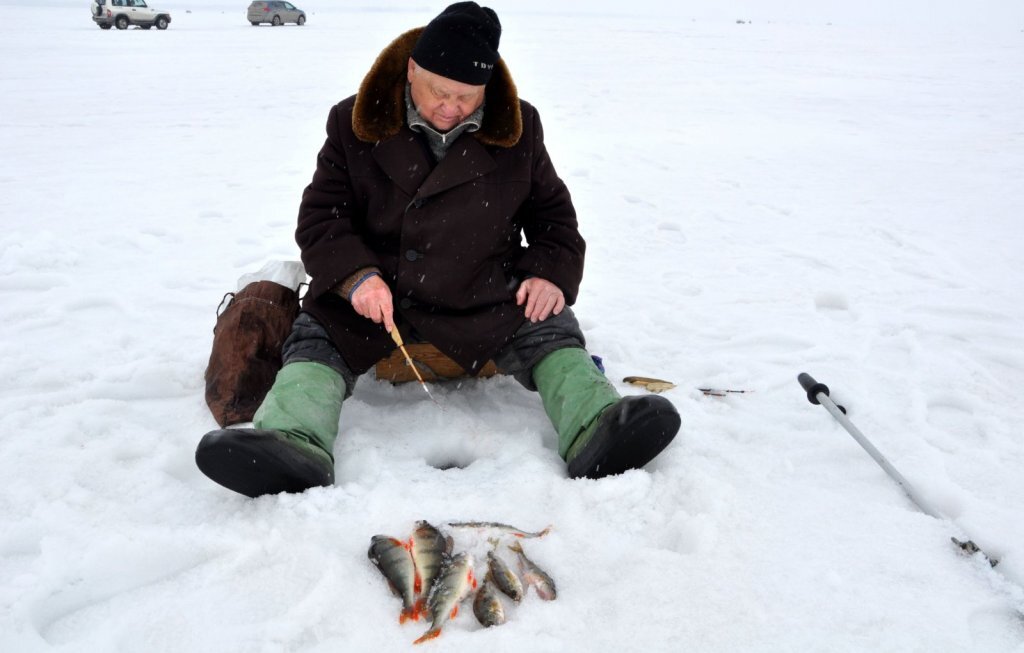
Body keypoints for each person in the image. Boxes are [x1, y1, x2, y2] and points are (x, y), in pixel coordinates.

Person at [195, 2, 680, 498]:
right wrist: (355, 276)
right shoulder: (352, 121)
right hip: (377, 293)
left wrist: (548, 273)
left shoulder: (520, 127)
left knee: (550, 331)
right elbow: (322, 217)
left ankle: (595, 427)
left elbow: (555, 220)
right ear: (411, 71)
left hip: (484, 293)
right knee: (317, 337)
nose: (451, 107)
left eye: (466, 97)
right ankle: (292, 441)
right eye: (439, 92)